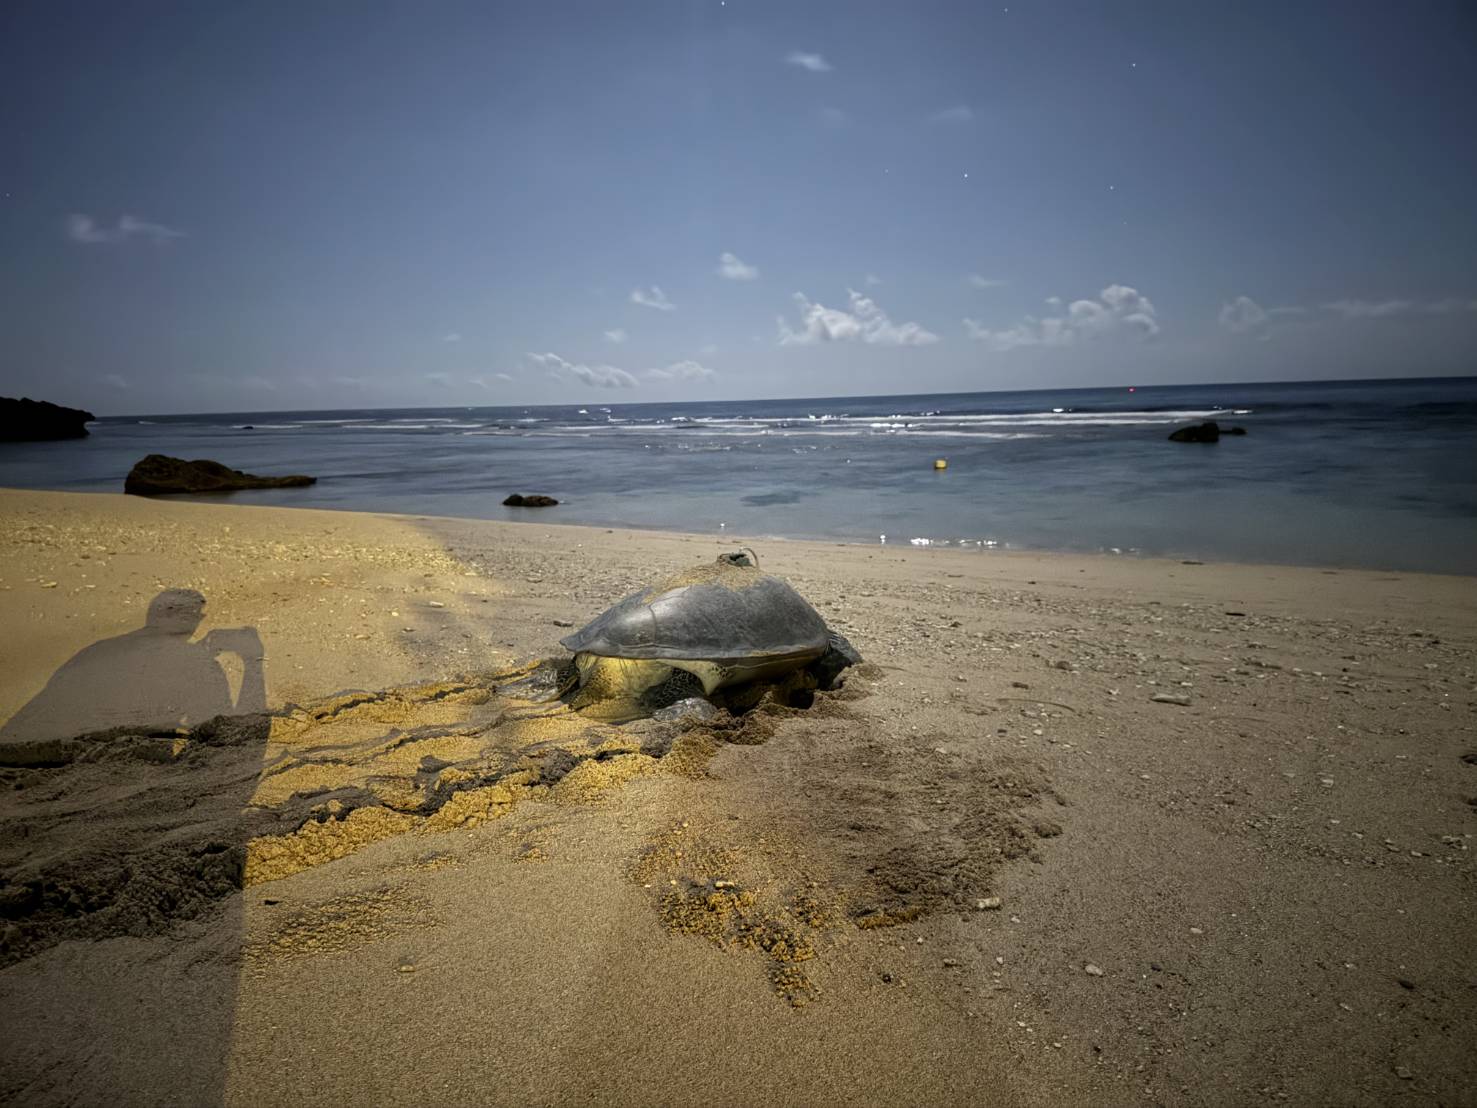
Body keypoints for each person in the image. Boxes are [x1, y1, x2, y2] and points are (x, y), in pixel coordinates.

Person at [0, 588, 265, 743]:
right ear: (193, 620)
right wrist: (252, 662)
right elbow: (224, 736)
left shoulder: (98, 650)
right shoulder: (196, 663)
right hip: (92, 762)